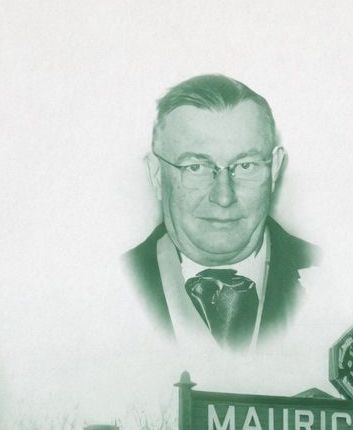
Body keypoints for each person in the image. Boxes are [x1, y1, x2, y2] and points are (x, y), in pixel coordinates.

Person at [125, 73, 316, 351]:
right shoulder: (107, 291)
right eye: (195, 168)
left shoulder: (336, 281)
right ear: (156, 174)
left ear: (274, 170)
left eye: (246, 166)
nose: (224, 196)